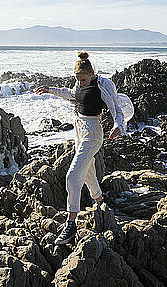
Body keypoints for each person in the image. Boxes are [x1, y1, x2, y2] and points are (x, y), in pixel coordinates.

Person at [34, 51, 127, 245]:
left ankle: (71, 223)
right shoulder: (78, 84)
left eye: (83, 79)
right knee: (87, 170)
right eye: (78, 79)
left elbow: (116, 108)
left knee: (72, 175)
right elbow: (71, 94)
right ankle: (100, 200)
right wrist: (49, 89)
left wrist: (118, 126)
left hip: (93, 132)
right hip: (78, 129)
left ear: (92, 73)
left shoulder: (103, 85)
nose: (81, 82)